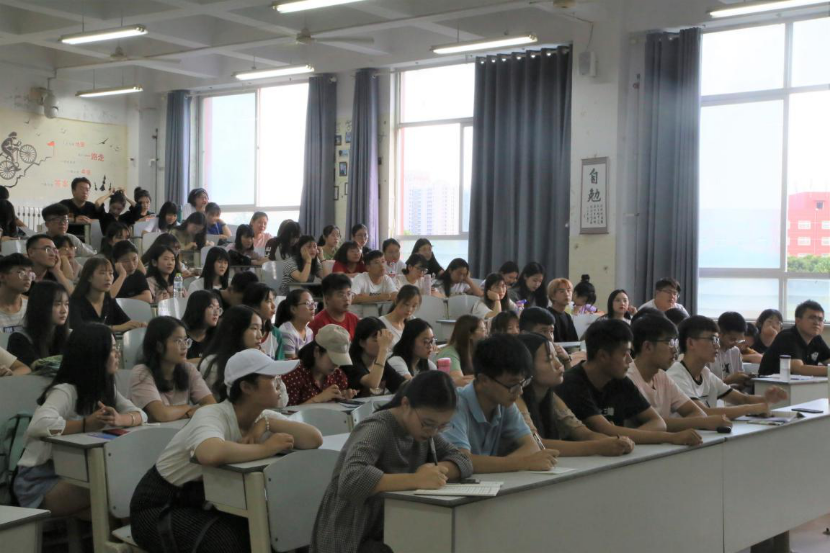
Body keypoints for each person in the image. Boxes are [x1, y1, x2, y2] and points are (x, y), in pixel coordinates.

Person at [130, 349, 322, 553]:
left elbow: (314, 438)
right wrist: (265, 448)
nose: (279, 383)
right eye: (271, 377)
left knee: (279, 529)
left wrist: (269, 423)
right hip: (160, 507)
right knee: (228, 542)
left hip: (208, 503)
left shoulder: (263, 417)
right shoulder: (212, 414)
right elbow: (209, 453)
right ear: (246, 387)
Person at [311, 371, 473, 553]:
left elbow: (463, 460)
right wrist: (416, 479)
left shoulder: (424, 431)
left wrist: (438, 469)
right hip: (351, 534)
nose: (433, 431)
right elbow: (351, 479)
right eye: (428, 423)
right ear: (405, 404)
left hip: (390, 526)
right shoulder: (377, 427)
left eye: (442, 426)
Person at [14, 324, 147, 514]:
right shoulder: (66, 390)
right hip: (42, 481)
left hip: (80, 471)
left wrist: (120, 419)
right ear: (94, 354)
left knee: (126, 484)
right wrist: (85, 424)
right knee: (119, 485)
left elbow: (141, 414)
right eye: (112, 349)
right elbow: (38, 425)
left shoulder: (106, 389)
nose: (118, 353)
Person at [556, 319, 703, 446]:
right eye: (624, 354)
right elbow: (605, 430)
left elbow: (658, 422)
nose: (629, 359)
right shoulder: (572, 383)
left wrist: (627, 438)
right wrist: (671, 437)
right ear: (603, 356)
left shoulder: (620, 380)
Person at [441, 334, 558, 473]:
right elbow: (462, 460)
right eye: (513, 384)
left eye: (523, 383)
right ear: (484, 380)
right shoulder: (454, 405)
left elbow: (532, 447)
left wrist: (511, 464)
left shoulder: (504, 402)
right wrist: (523, 463)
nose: (520, 391)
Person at [515, 333, 635, 457]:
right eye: (549, 359)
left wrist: (616, 442)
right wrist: (598, 447)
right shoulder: (516, 400)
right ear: (527, 368)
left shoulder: (551, 397)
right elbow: (538, 444)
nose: (559, 364)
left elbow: (583, 433)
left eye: (556, 357)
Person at [667, 316, 788, 418]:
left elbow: (742, 399)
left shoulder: (705, 373)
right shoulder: (676, 374)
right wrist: (751, 408)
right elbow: (702, 413)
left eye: (717, 340)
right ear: (690, 343)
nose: (717, 345)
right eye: (712, 340)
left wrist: (766, 399)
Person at [629, 315, 733, 432]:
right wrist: (703, 422)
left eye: (675, 342)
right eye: (669, 342)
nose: (675, 350)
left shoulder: (662, 376)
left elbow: (696, 412)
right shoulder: (628, 379)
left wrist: (700, 421)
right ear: (648, 347)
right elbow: (650, 423)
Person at [129, 316, 216, 422]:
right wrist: (188, 408)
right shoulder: (141, 372)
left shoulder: (188, 369)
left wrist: (184, 414)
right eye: (178, 341)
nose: (184, 346)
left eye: (185, 340)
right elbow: (162, 415)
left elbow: (211, 404)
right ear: (159, 346)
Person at [199, 305, 285, 404]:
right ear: (236, 330)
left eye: (261, 329)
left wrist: (268, 367)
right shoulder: (212, 364)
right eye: (254, 328)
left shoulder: (259, 360)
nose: (260, 336)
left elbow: (282, 401)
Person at [282, 325, 357, 405]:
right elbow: (286, 411)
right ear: (317, 352)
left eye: (340, 360)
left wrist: (342, 399)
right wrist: (319, 399)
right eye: (333, 359)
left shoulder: (338, 376)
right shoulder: (293, 373)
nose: (337, 365)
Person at [69, 258, 145, 333]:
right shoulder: (75, 302)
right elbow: (79, 329)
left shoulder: (109, 301)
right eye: (102, 273)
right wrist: (116, 328)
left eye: (111, 273)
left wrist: (139, 325)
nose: (108, 278)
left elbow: (126, 323)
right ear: (89, 277)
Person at [759, 300, 830, 377]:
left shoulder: (817, 339)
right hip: (769, 383)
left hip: (802, 383)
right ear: (798, 321)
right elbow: (798, 369)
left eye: (820, 319)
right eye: (812, 318)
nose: (817, 323)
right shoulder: (786, 337)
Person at [8, 281, 69, 369]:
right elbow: (38, 370)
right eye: (57, 304)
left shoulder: (69, 336)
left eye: (66, 304)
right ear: (40, 306)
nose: (64, 310)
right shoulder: (19, 339)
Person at [345, 317, 405, 397]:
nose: (382, 343)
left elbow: (402, 385)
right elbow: (372, 383)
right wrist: (383, 349)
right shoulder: (351, 363)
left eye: (383, 340)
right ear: (362, 343)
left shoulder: (381, 362)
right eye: (376, 340)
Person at [436, 315, 485, 386]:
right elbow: (460, 383)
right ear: (470, 334)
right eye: (482, 330)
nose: (486, 334)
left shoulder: (475, 351)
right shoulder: (449, 353)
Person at [309, 273, 360, 339]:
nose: (347, 299)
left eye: (349, 293)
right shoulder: (317, 323)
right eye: (341, 295)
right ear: (327, 299)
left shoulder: (354, 319)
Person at [242, 283, 285, 360]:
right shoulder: (243, 332)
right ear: (254, 305)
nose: (273, 306)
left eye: (273, 301)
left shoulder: (276, 334)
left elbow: (280, 363)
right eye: (268, 301)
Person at [711, 312, 754, 388]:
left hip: (732, 393)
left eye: (739, 340)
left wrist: (746, 381)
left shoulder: (735, 351)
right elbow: (705, 388)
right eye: (732, 339)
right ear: (720, 333)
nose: (736, 343)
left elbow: (739, 385)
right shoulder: (709, 352)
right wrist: (729, 381)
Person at [181, 290, 222, 362]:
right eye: (211, 307)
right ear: (198, 308)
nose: (216, 313)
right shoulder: (180, 335)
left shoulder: (218, 336)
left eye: (218, 308)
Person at [275, 289, 316, 359]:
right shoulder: (287, 331)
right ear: (293, 309)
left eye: (313, 303)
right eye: (308, 303)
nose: (312, 308)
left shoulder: (309, 332)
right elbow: (292, 362)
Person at [0, 253, 32, 335]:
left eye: (30, 273)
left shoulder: (31, 307)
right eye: (21, 272)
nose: (28, 277)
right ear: (2, 277)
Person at [547, 278, 578, 342]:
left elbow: (574, 340)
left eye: (569, 290)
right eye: (561, 291)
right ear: (553, 296)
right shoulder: (547, 315)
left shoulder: (568, 316)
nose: (567, 294)